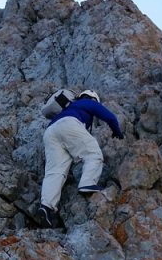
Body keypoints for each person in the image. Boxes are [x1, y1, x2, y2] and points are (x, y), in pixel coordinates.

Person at [38, 89, 124, 227]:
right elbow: (110, 117)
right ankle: (87, 183)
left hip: (50, 132)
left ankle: (46, 207)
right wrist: (117, 131)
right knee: (93, 153)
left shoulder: (70, 107)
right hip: (69, 124)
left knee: (55, 172)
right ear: (93, 99)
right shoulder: (87, 102)